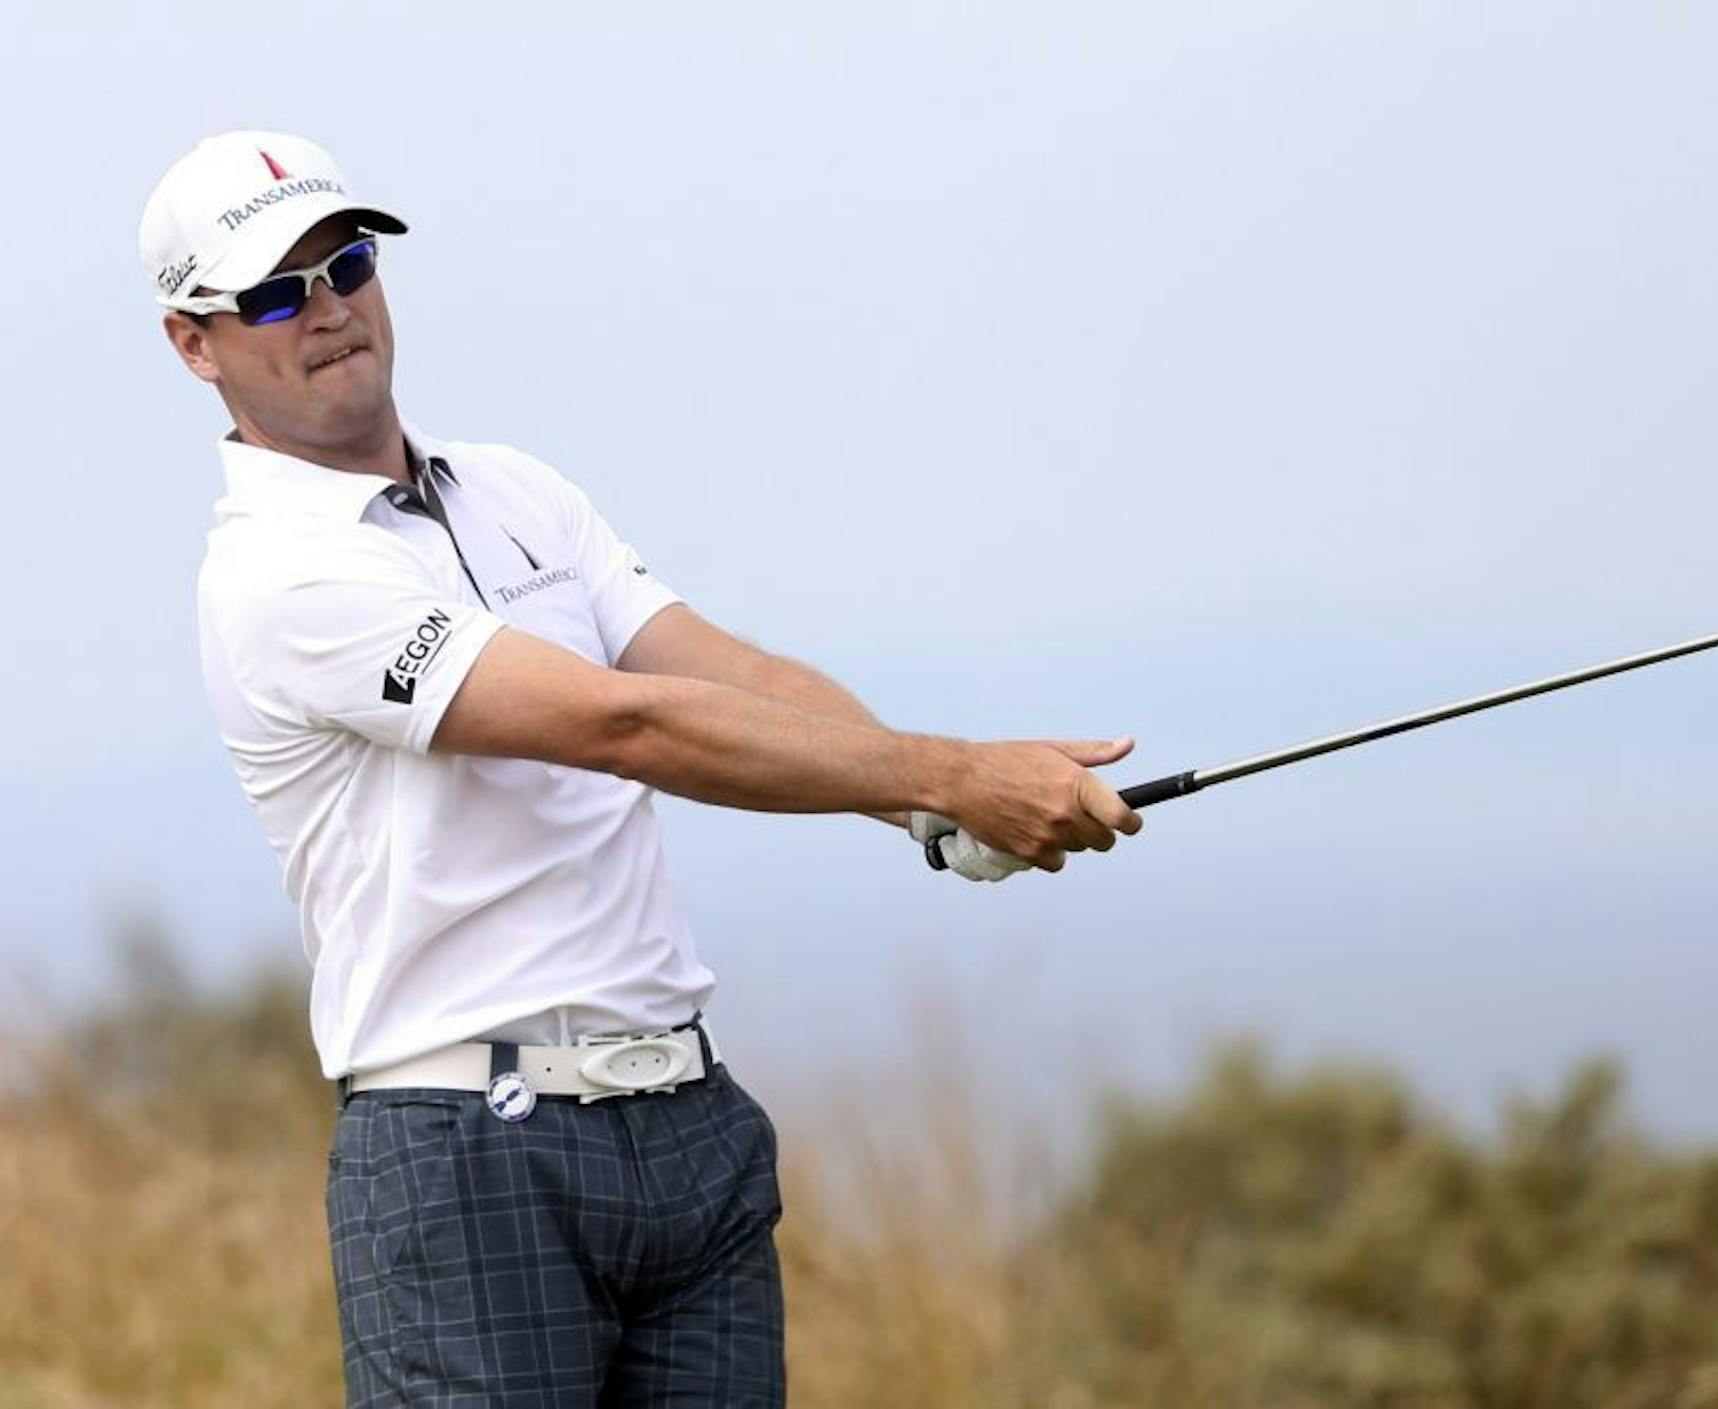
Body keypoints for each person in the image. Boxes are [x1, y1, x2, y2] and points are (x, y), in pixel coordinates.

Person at [141, 130, 1141, 1406]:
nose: (329, 311)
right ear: (195, 341)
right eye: (275, 293)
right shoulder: (276, 575)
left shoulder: (515, 492)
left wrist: (923, 805)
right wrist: (954, 771)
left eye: (348, 263)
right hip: (465, 1153)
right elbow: (625, 725)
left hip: (686, 1127)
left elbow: (723, 672)